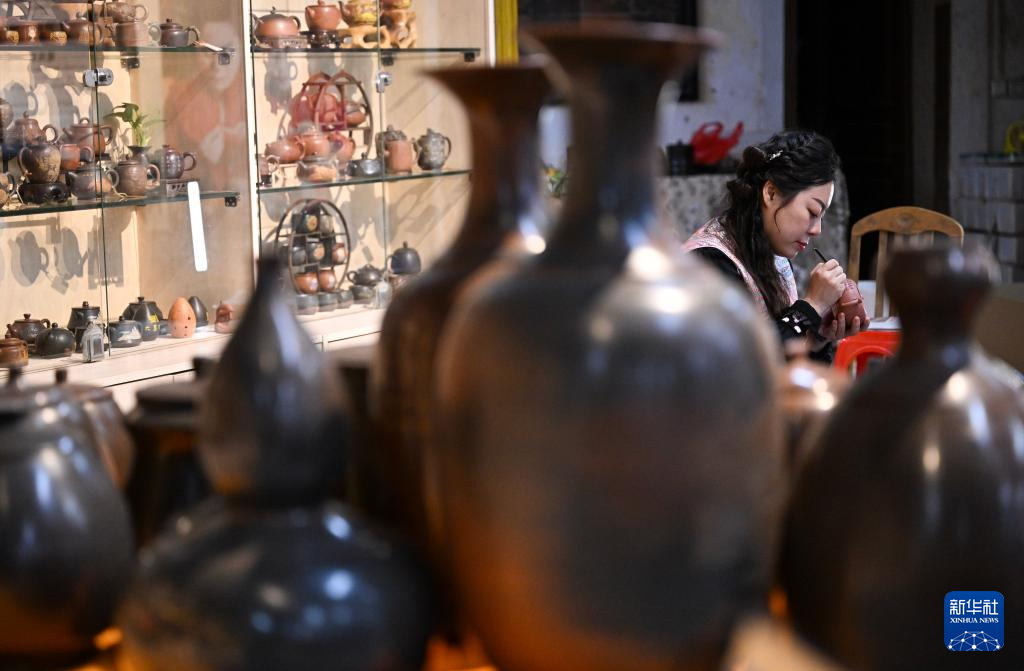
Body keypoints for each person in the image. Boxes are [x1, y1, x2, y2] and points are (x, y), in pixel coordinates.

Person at [684, 130, 867, 363]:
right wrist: (811, 306)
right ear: (771, 193)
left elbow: (784, 365)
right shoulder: (708, 260)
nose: (817, 230)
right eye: (812, 211)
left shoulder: (772, 253)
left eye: (821, 216)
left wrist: (816, 338)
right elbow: (740, 362)